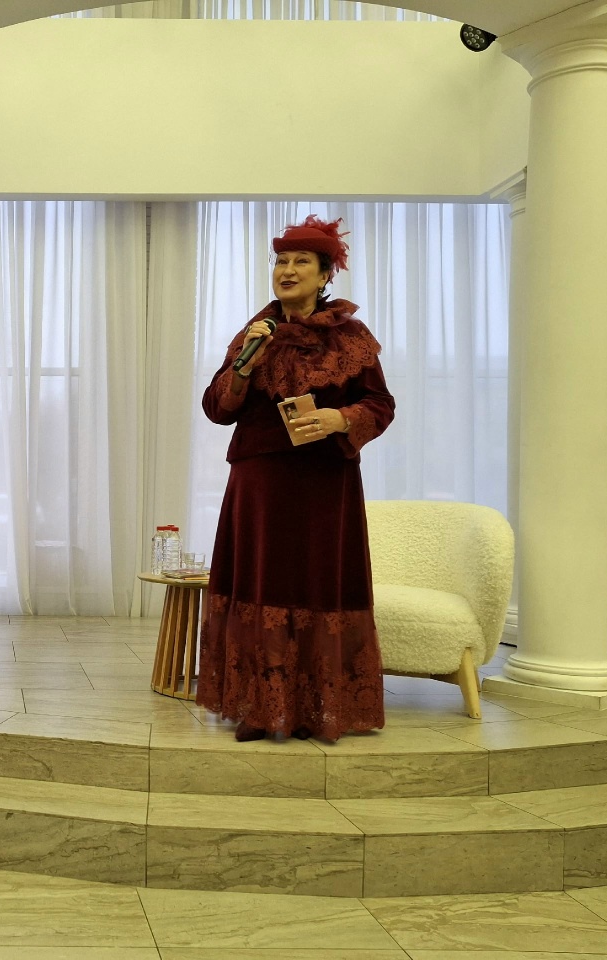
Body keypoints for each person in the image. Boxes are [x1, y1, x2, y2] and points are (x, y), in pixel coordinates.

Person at [196, 215, 395, 742]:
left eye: (301, 261)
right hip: (258, 483)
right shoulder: (254, 334)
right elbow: (216, 408)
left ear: (325, 275)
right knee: (260, 581)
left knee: (316, 582)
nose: (287, 270)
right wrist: (244, 364)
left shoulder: (351, 338)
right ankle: (259, 707)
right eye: (281, 261)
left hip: (324, 484)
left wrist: (339, 419)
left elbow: (381, 403)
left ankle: (313, 708)